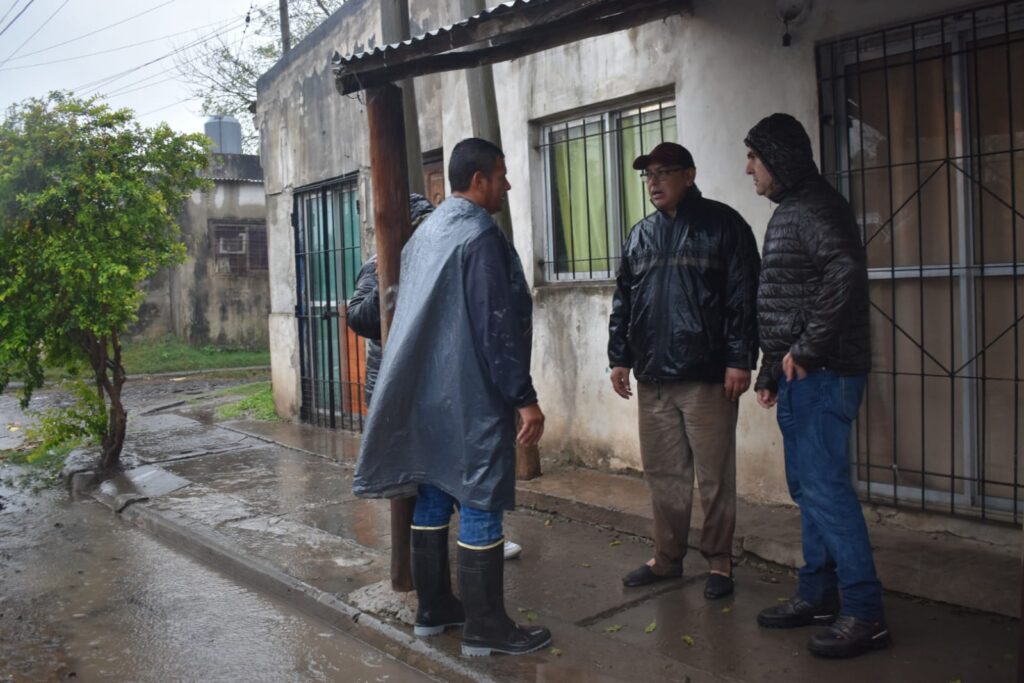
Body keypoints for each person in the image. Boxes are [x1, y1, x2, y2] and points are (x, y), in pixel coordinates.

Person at [352, 138, 550, 657]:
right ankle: (486, 627)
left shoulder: (428, 233)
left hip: (426, 394)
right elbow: (495, 325)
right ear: (479, 180)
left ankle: (434, 608)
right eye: (501, 176)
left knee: (435, 493)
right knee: (481, 499)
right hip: (470, 396)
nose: (507, 185)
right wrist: (523, 397)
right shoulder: (478, 235)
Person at [745, 113, 889, 659]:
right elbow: (786, 302)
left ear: (777, 158)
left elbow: (844, 272)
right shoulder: (793, 210)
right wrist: (770, 371)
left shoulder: (815, 207)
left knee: (826, 490)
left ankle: (865, 613)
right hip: (800, 376)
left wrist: (806, 351)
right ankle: (818, 595)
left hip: (824, 374)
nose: (748, 169)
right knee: (809, 490)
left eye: (754, 158)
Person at [608, 142, 760, 600]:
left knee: (714, 476)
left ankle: (719, 561)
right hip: (653, 378)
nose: (653, 182)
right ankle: (667, 558)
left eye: (663, 172)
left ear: (689, 175)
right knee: (664, 475)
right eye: (648, 175)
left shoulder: (724, 225)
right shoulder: (640, 235)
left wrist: (739, 359)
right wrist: (619, 357)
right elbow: (624, 301)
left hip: (707, 377)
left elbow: (743, 297)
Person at [347, 193, 523, 562]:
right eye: (420, 224)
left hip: (437, 382)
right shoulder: (377, 265)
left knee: (447, 466)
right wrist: (387, 281)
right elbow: (360, 318)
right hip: (396, 386)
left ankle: (474, 541)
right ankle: (458, 549)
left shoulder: (442, 255)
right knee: (425, 474)